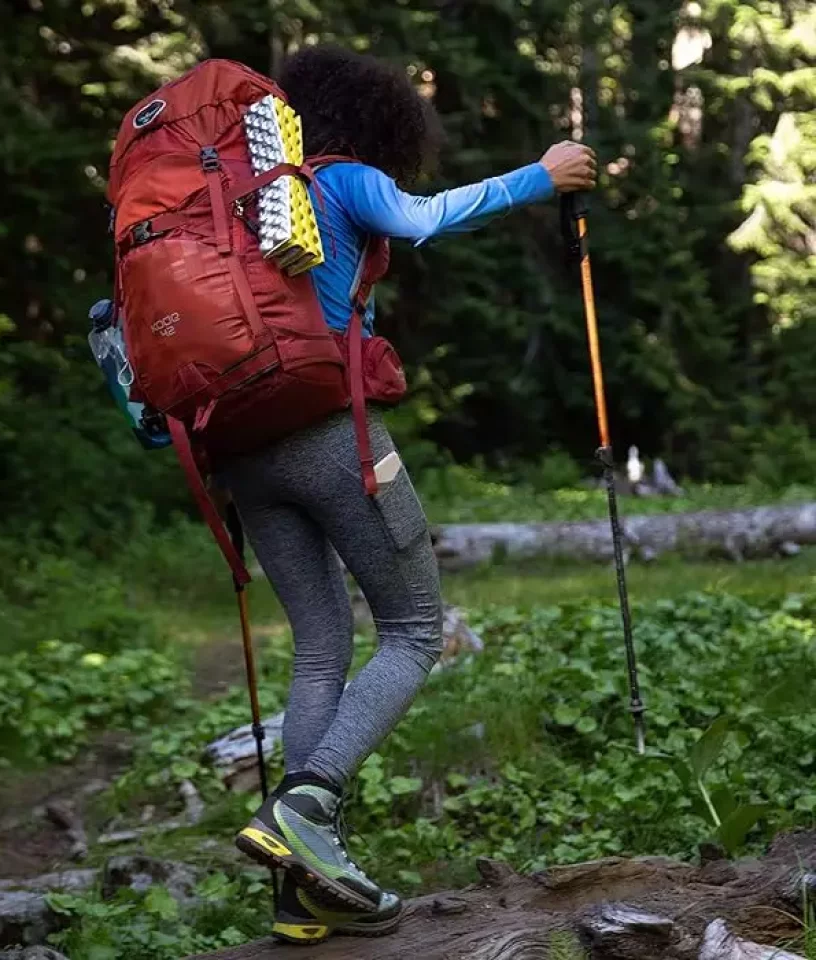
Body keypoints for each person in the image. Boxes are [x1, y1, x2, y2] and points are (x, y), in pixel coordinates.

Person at [226, 45, 597, 940]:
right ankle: (304, 811)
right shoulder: (344, 177)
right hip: (328, 432)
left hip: (241, 450)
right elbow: (422, 217)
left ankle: (302, 890)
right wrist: (539, 177)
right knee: (414, 629)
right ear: (378, 121)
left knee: (319, 649)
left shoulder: (237, 206)